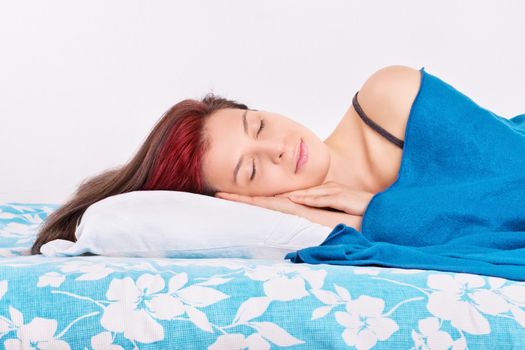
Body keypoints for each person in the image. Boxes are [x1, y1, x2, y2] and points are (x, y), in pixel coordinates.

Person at [30, 65, 422, 255]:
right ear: (240, 202)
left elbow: (487, 213)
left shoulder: (390, 97)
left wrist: (380, 210)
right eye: (251, 170)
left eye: (260, 126)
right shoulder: (326, 233)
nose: (278, 149)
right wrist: (364, 216)